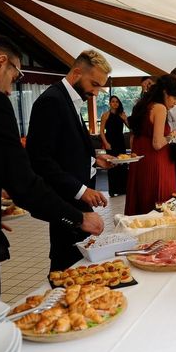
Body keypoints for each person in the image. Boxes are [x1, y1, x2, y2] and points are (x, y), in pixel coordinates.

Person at [0, 34, 104, 299]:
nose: (11, 90)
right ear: (1, 62)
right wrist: (78, 218)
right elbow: (24, 181)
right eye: (15, 77)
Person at [27, 49, 115, 273]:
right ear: (77, 73)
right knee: (65, 264)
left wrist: (94, 161)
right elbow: (40, 160)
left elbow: (65, 150)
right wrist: (81, 190)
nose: (95, 92)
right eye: (94, 84)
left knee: (80, 260)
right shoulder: (51, 101)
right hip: (65, 201)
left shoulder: (70, 100)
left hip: (77, 198)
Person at [124, 74, 176, 215]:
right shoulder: (160, 108)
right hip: (157, 162)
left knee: (142, 201)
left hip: (140, 161)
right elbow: (157, 143)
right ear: (165, 93)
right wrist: (173, 134)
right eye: (175, 98)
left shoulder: (142, 106)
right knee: (159, 203)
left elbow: (133, 138)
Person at [99, 95, 129, 196]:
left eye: (117, 102)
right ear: (110, 103)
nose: (115, 103)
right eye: (113, 101)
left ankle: (123, 190)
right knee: (112, 166)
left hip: (120, 142)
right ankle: (113, 191)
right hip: (110, 143)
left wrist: (126, 119)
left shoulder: (122, 114)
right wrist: (106, 143)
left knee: (122, 166)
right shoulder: (105, 115)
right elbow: (101, 131)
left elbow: (130, 127)